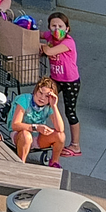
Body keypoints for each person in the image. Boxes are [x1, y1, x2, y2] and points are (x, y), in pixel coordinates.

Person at [41, 11, 83, 157]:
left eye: (60, 26)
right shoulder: (49, 36)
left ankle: (75, 145)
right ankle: (43, 133)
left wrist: (42, 47)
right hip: (55, 79)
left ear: (67, 29)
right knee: (43, 101)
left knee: (70, 112)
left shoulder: (68, 42)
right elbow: (36, 34)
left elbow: (49, 51)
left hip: (70, 81)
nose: (56, 29)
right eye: (53, 26)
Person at [9, 78, 68, 166]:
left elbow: (60, 129)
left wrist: (54, 106)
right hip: (20, 134)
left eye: (47, 96)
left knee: (60, 136)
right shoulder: (24, 99)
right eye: (40, 93)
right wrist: (36, 127)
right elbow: (15, 125)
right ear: (36, 91)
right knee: (26, 135)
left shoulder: (49, 106)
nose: (42, 98)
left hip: (37, 136)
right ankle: (21, 164)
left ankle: (54, 162)